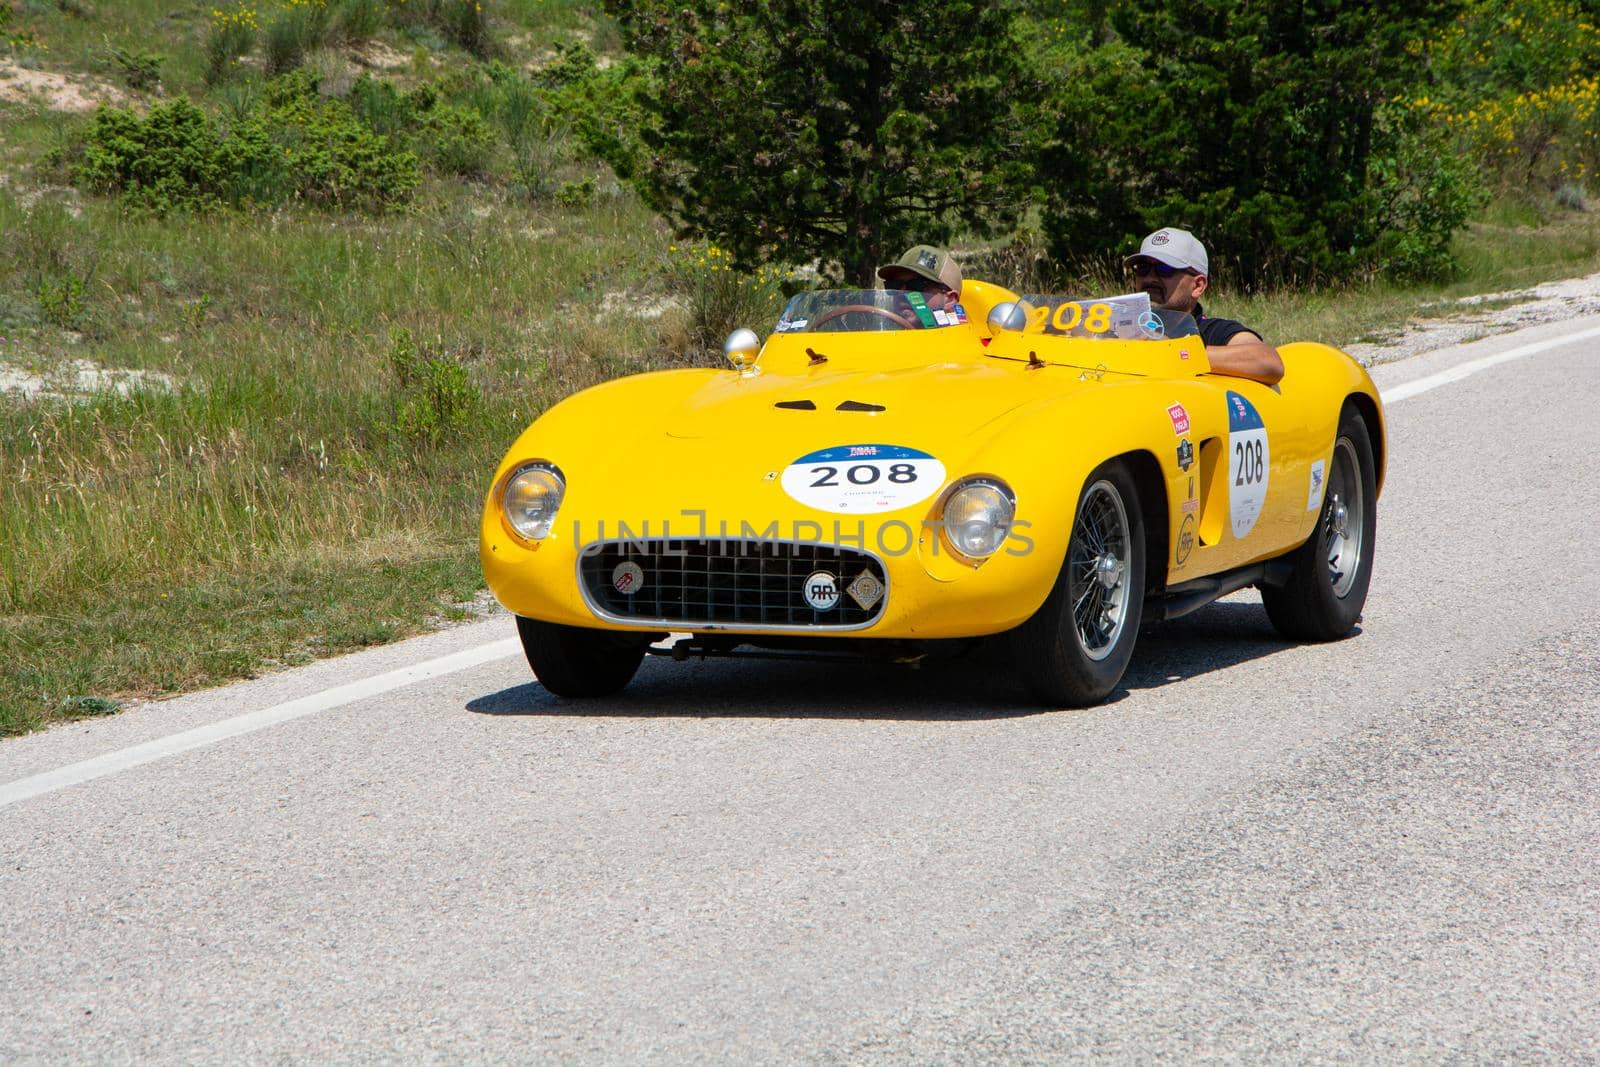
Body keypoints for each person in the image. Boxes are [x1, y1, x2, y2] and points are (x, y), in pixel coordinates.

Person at [1124, 228, 1284, 385]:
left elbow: (1268, 362)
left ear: (1198, 286)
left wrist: (1176, 353)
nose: (1150, 277)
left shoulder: (1214, 331)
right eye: (1143, 268)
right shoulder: (1118, 327)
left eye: (1165, 269)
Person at [877, 244, 967, 326]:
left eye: (916, 285)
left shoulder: (958, 343)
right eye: (895, 285)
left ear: (950, 299)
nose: (901, 293)